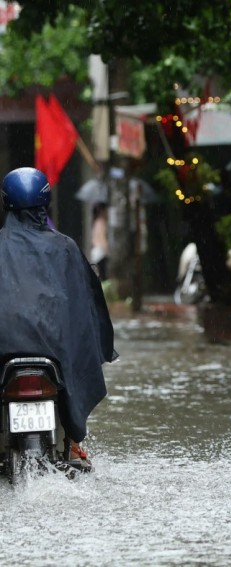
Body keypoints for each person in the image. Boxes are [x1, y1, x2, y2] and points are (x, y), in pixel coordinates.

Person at [0, 167, 117, 466]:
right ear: (45, 203)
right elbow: (89, 307)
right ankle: (74, 442)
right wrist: (101, 345)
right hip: (55, 354)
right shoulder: (65, 247)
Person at [90, 201, 109, 280]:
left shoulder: (96, 222)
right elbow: (102, 238)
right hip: (100, 252)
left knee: (99, 275)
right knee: (103, 275)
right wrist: (107, 250)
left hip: (95, 252)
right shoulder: (101, 222)